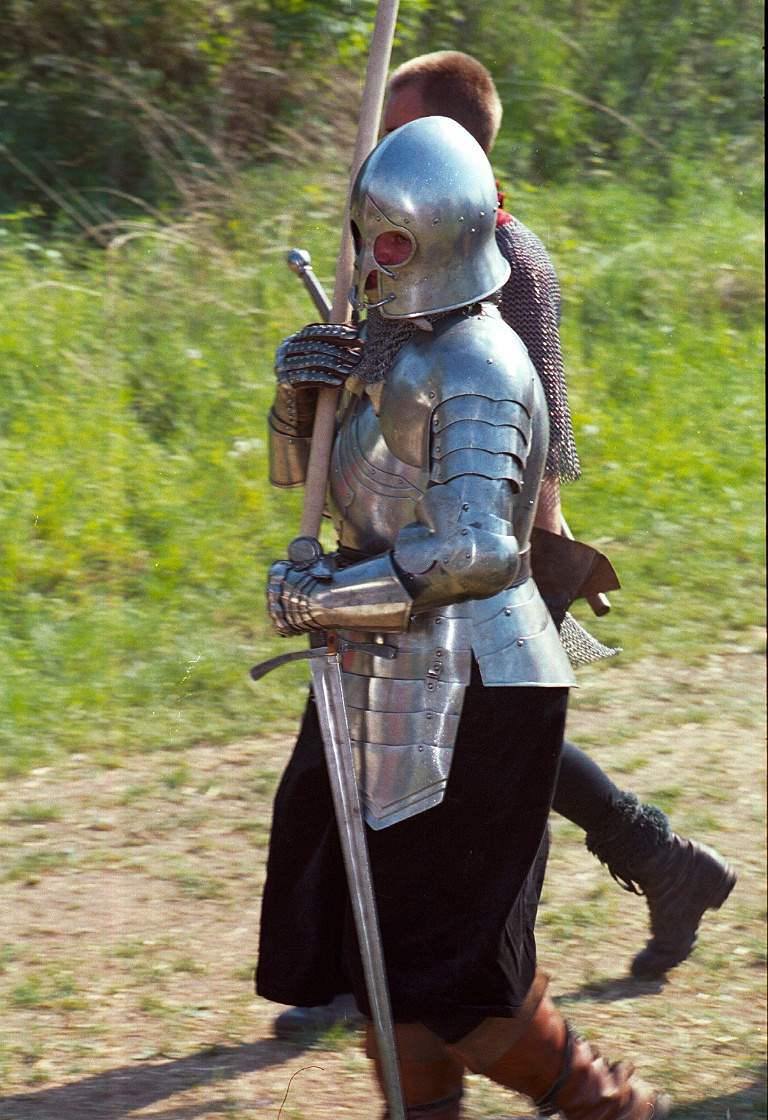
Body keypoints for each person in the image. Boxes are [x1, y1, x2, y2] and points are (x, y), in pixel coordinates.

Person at [269, 55, 734, 1041]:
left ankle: (643, 867)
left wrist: (533, 549)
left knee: (471, 754)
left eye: (398, 134)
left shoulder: (503, 261)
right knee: (402, 746)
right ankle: (358, 958)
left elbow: (501, 433)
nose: (378, 155)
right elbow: (377, 414)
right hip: (394, 543)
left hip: (482, 550)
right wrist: (309, 390)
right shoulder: (395, 256)